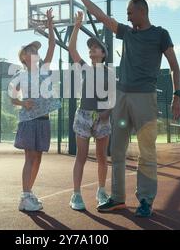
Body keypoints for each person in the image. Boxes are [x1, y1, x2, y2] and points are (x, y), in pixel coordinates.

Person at [66, 0, 180, 217]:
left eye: (130, 12)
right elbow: (99, 15)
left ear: (142, 11)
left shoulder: (161, 34)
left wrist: (177, 95)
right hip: (122, 98)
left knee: (147, 152)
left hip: (145, 98)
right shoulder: (126, 33)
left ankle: (146, 200)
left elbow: (174, 66)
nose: (127, 17)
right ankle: (117, 198)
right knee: (117, 151)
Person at [9, 8, 60, 212]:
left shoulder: (44, 69)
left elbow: (53, 44)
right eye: (30, 51)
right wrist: (23, 103)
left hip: (43, 120)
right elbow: (12, 98)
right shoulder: (20, 75)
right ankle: (24, 195)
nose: (35, 53)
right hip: (29, 121)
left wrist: (49, 24)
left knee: (38, 157)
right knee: (30, 158)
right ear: (23, 57)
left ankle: (29, 192)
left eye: (35, 51)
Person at [67, 11, 114, 211]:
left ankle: (101, 190)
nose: (92, 51)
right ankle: (76, 194)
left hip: (102, 119)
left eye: (96, 48)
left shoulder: (110, 72)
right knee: (81, 156)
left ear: (103, 53)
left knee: (102, 157)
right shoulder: (85, 68)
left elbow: (113, 98)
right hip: (84, 116)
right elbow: (71, 48)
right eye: (90, 49)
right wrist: (77, 25)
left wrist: (107, 113)